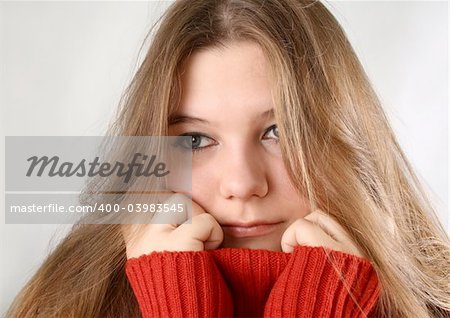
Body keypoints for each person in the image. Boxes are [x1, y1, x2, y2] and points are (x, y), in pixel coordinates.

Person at [6, 0, 450, 317]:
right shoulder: (62, 305)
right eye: (196, 139)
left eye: (280, 132)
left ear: (350, 140)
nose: (242, 184)